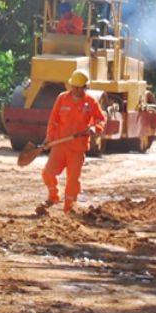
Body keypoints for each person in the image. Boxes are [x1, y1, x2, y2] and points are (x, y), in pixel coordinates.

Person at [40, 69, 105, 214]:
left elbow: (100, 119)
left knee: (72, 181)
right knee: (47, 173)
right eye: (73, 86)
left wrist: (95, 128)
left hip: (77, 148)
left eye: (78, 87)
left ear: (85, 87)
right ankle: (53, 196)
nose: (75, 90)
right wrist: (49, 138)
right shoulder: (62, 98)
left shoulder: (91, 102)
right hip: (59, 145)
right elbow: (53, 120)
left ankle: (69, 209)